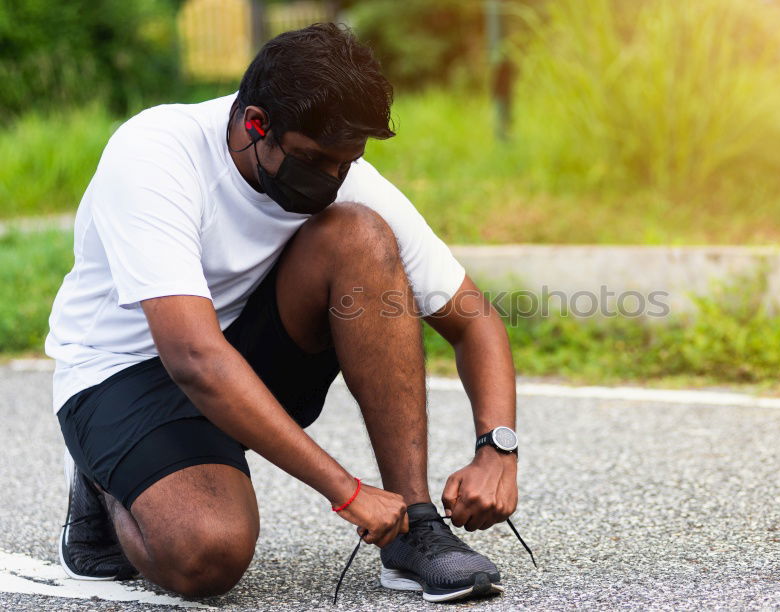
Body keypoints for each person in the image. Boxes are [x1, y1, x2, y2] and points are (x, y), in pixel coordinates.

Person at [45, 23, 522, 603]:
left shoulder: (347, 180)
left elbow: (474, 318)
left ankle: (414, 530)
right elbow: (193, 357)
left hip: (241, 358)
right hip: (125, 374)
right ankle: (104, 480)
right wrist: (346, 490)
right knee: (208, 555)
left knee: (360, 236)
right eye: (314, 159)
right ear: (255, 125)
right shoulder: (156, 154)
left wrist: (497, 448)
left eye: (345, 164)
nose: (329, 180)